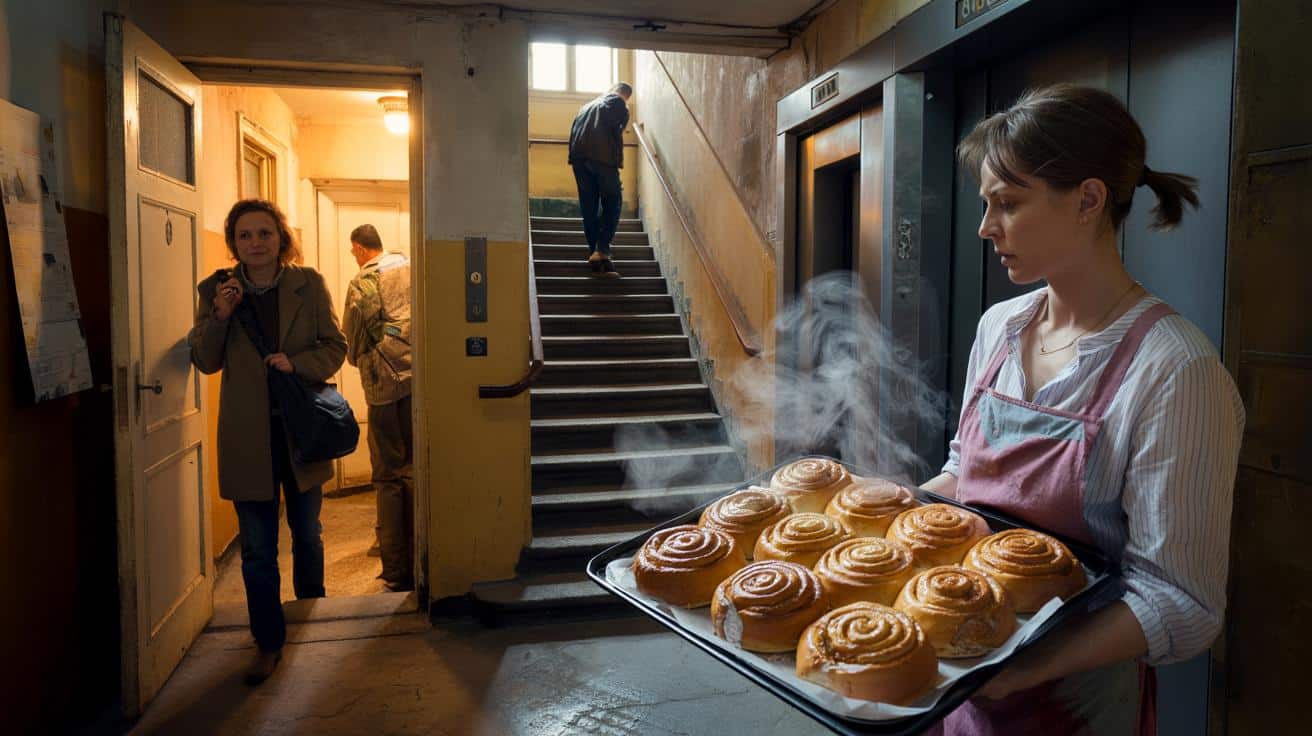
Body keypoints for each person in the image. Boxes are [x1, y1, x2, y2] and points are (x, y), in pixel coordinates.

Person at [920, 84, 1244, 734]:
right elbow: (967, 475)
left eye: (1007, 204)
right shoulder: (999, 327)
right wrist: (888, 511)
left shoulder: (1175, 370)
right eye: (987, 205)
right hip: (959, 683)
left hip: (1073, 706)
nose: (986, 227)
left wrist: (1024, 669)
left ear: (1089, 200)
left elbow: (1181, 602)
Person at [189, 199, 348, 686]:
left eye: (264, 233)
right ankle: (269, 642)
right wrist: (220, 314)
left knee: (307, 534)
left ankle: (311, 624)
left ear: (281, 237)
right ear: (233, 242)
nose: (255, 243)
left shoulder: (310, 283)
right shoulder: (218, 289)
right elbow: (205, 360)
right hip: (248, 437)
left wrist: (295, 363)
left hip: (301, 432)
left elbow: (335, 346)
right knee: (257, 549)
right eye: (244, 235)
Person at [342, 224, 414, 592]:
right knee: (415, 471)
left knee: (387, 475)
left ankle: (396, 568)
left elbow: (353, 342)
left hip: (383, 388)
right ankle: (421, 560)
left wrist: (362, 359)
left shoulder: (363, 281)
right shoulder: (413, 265)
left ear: (359, 248)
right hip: (419, 384)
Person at [568, 81, 632, 278]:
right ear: (625, 95)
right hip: (602, 158)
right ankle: (602, 249)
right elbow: (616, 132)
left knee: (589, 207)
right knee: (613, 201)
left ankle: (596, 257)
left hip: (579, 158)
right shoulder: (618, 103)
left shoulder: (585, 107)